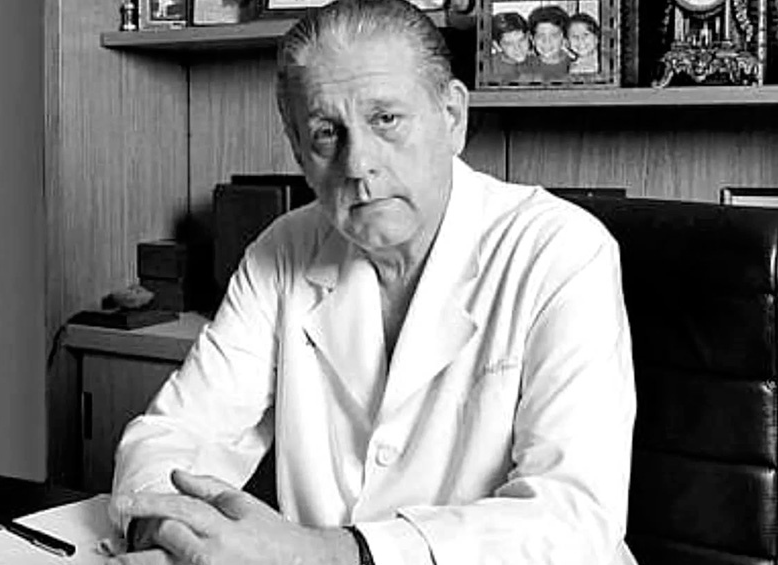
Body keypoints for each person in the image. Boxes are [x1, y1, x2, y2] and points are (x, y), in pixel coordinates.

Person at [104, 0, 637, 563]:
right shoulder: (282, 251)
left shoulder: (560, 250)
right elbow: (173, 436)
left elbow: (572, 520)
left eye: (386, 119)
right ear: (298, 150)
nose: (358, 164)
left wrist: (326, 555)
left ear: (452, 116)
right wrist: (173, 533)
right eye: (326, 132)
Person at [526, 5, 571, 78]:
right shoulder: (525, 67)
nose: (547, 41)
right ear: (532, 39)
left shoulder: (574, 65)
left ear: (564, 38)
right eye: (541, 35)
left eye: (554, 36)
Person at [490, 12, 531, 78]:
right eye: (509, 44)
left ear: (529, 37)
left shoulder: (537, 61)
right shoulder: (489, 70)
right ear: (497, 46)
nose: (518, 48)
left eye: (521, 40)